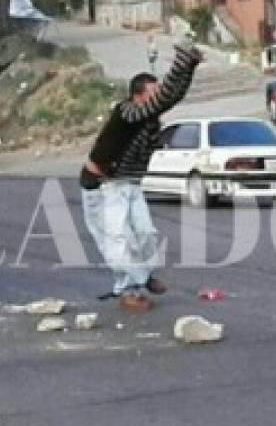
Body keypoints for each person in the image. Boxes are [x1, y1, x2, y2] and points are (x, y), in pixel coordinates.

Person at [80, 41, 204, 312]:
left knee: (146, 234)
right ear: (138, 96)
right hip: (104, 186)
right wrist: (181, 62)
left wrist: (190, 66)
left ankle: (142, 277)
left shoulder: (148, 117)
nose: (159, 96)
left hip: (130, 183)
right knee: (117, 238)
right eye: (153, 92)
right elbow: (165, 99)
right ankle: (129, 290)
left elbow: (172, 97)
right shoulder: (127, 112)